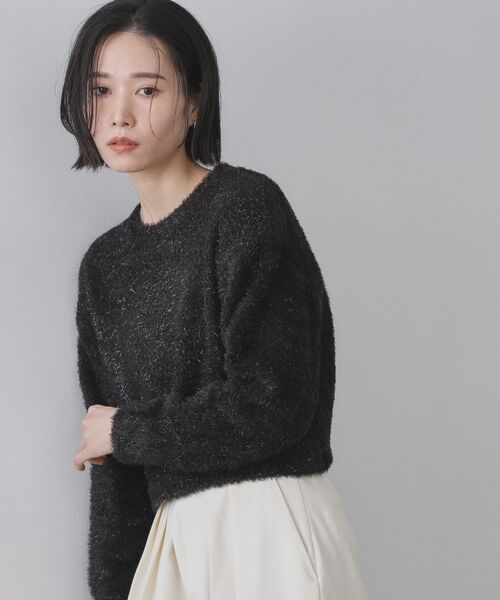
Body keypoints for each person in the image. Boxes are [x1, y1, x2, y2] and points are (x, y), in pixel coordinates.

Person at [61, 1, 369, 598]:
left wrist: (128, 433)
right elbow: (115, 470)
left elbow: (274, 402)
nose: (118, 113)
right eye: (99, 90)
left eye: (147, 90)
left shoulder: (244, 208)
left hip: (268, 529)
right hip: (170, 543)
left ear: (194, 101)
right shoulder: (104, 266)